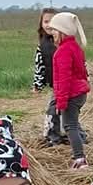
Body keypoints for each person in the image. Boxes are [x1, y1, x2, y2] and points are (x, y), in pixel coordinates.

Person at [47, 11, 91, 167]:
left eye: (54, 29)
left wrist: (61, 103)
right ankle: (79, 155)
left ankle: (79, 159)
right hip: (80, 93)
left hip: (72, 94)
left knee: (69, 126)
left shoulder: (63, 51)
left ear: (62, 31)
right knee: (73, 123)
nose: (52, 32)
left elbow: (64, 79)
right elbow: (83, 71)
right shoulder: (75, 47)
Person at [33, 9, 63, 145]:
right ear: (41, 24)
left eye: (53, 21)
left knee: (56, 111)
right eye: (46, 21)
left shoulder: (64, 42)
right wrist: (37, 85)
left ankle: (55, 136)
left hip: (67, 84)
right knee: (56, 110)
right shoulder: (42, 45)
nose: (49, 25)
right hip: (56, 85)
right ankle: (54, 136)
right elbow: (39, 67)